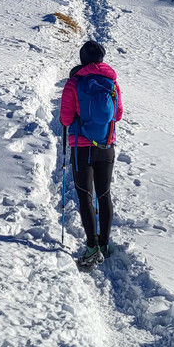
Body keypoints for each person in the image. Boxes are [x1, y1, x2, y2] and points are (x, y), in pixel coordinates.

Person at [59, 39, 123, 269]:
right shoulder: (111, 82)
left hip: (81, 147)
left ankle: (91, 247)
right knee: (104, 194)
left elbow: (66, 119)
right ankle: (104, 244)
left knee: (85, 194)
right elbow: (118, 115)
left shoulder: (74, 83)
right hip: (106, 145)